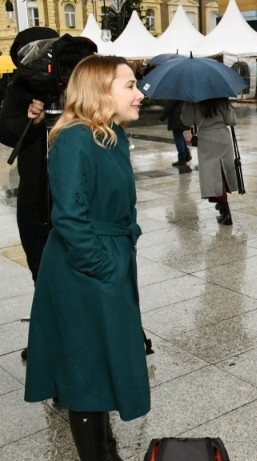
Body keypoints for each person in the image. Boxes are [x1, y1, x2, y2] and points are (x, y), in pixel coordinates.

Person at [24, 55, 150, 461]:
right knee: (86, 368)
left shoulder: (111, 135)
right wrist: (103, 266)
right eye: (130, 85)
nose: (140, 93)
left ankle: (107, 451)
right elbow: (69, 217)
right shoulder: (76, 138)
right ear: (99, 90)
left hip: (104, 262)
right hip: (84, 270)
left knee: (99, 361)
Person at [0, 26, 60, 361]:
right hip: (36, 193)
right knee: (41, 266)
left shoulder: (74, 82)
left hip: (73, 191)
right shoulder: (20, 89)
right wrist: (30, 119)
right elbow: (6, 131)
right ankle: (47, 336)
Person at [181, 97, 239, 225]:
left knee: (212, 176)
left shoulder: (192, 98)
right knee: (222, 174)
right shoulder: (221, 97)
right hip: (223, 137)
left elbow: (186, 120)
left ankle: (225, 212)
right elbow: (231, 120)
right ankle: (222, 209)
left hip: (206, 139)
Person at [159, 99, 192, 167]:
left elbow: (169, 105)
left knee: (177, 136)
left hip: (176, 117)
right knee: (179, 135)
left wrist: (162, 117)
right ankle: (186, 155)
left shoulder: (175, 91)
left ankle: (182, 158)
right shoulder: (185, 90)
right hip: (184, 115)